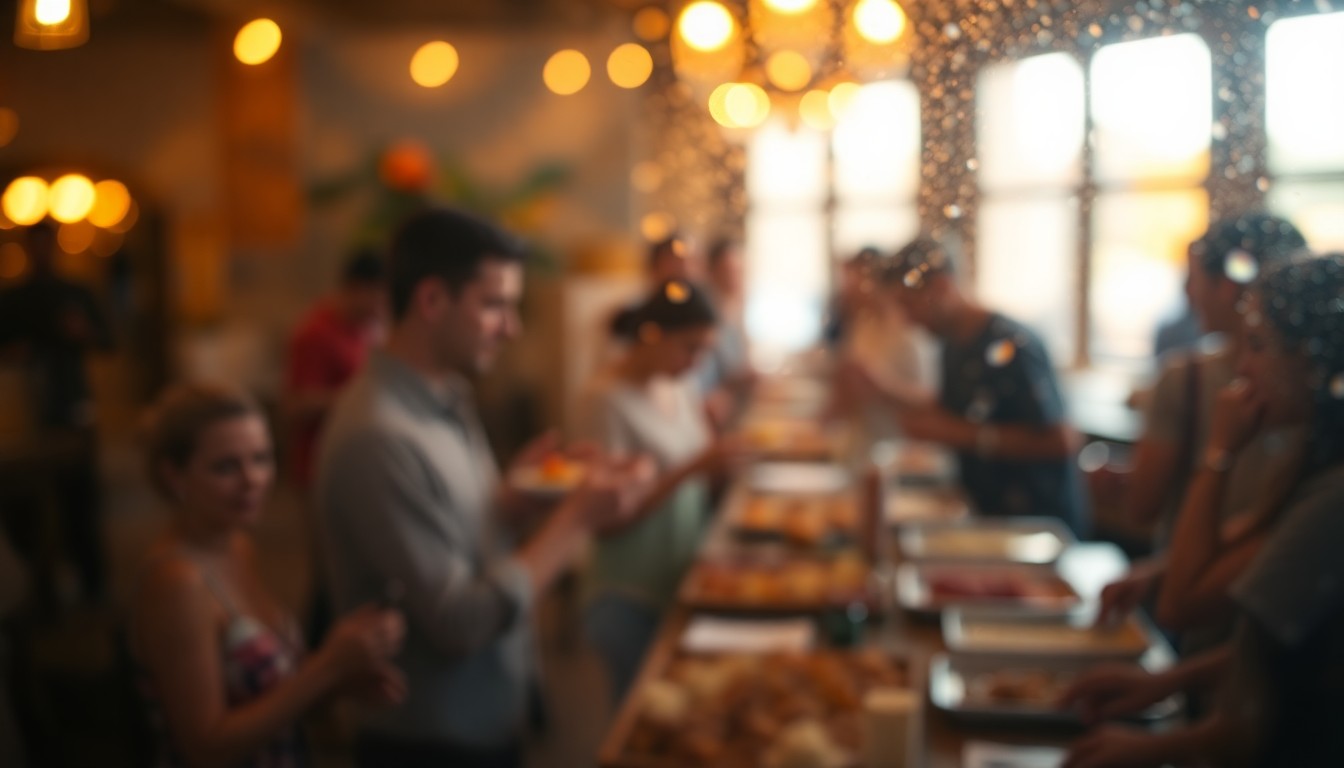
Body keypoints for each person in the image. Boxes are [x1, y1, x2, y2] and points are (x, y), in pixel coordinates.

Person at [315, 207, 646, 768]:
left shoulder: (444, 394)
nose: (511, 327)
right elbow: (458, 620)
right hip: (432, 740)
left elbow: (461, 540)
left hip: (486, 710)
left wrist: (518, 498)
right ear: (432, 301)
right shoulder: (378, 434)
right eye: (494, 305)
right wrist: (575, 523)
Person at [1059, 254, 1344, 768]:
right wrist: (1162, 683)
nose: (1242, 367)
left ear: (1311, 362)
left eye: (1258, 346)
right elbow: (1273, 655)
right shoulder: (1320, 472)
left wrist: (1220, 453)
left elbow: (1181, 604)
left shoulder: (1332, 496)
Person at [129, 383, 405, 768]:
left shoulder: (237, 545)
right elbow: (205, 746)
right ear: (174, 476)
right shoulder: (177, 580)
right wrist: (326, 666)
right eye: (226, 467)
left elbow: (265, 697)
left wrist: (338, 681)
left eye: (261, 458)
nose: (252, 480)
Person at [1095, 214, 1307, 640]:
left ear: (1231, 287)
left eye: (1193, 279)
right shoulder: (1308, 403)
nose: (1189, 294)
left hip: (1215, 616)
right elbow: (1265, 529)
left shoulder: (1188, 378)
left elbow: (1144, 510)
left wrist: (1218, 454)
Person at [841, 236, 1088, 534]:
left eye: (909, 305)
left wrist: (956, 434)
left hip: (1036, 526)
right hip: (986, 514)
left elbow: (1062, 441)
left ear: (943, 287)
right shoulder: (953, 343)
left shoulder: (1010, 344)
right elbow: (955, 405)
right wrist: (881, 390)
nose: (907, 322)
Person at [581, 280, 744, 702]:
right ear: (651, 335)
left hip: (680, 573)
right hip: (629, 588)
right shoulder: (605, 399)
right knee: (638, 714)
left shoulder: (679, 382)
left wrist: (718, 447)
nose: (697, 361)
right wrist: (691, 469)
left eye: (705, 350)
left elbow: (702, 465)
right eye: (689, 347)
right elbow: (605, 520)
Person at [0, 222, 114, 604]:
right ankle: (41, 589)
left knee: (81, 498)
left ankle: (92, 583)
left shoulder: (75, 293)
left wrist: (83, 333)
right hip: (25, 412)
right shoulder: (13, 298)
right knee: (27, 507)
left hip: (71, 404)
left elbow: (107, 340)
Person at [283, 249, 387, 491]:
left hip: (358, 459)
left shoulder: (370, 329)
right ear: (357, 289)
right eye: (379, 297)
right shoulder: (315, 334)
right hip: (321, 466)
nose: (382, 307)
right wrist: (361, 395)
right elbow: (295, 406)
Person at [695, 238, 754, 430]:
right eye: (729, 271)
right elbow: (700, 376)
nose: (735, 277)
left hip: (731, 408)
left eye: (739, 271)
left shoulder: (732, 310)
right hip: (709, 414)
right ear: (711, 272)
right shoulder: (703, 316)